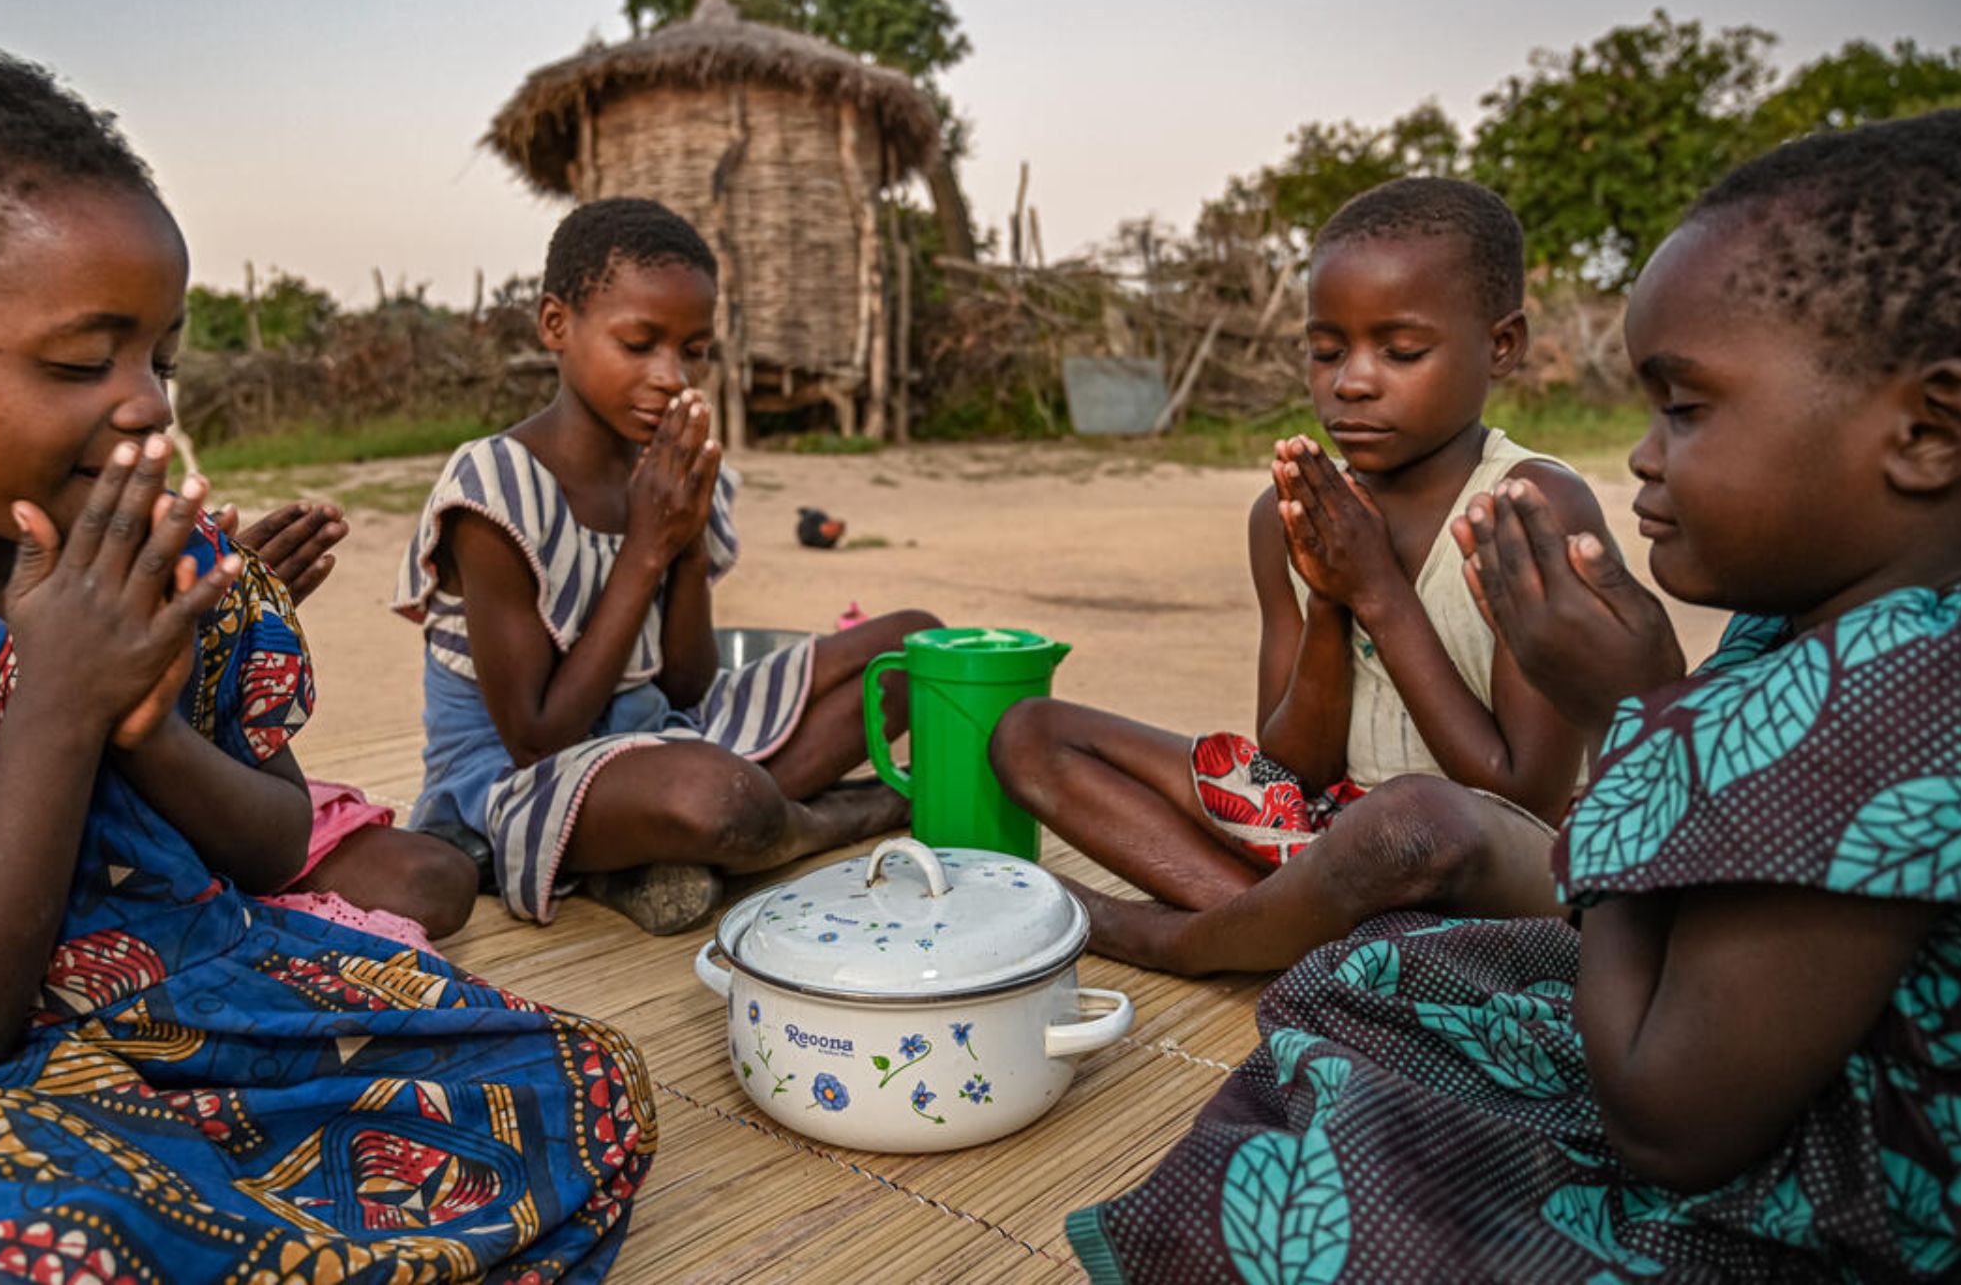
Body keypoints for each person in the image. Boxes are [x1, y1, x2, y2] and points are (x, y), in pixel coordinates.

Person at [0, 28, 649, 1281]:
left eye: (160, 358)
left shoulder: (171, 572)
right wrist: (55, 707)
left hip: (211, 1013)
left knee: (579, 1085)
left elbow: (276, 844)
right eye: (80, 360)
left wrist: (146, 723)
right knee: (5, 1242)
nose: (151, 404)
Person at [1069, 109, 1961, 1282]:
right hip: (1686, 1020)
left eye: (1681, 410)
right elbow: (1295, 753)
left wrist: (1637, 712)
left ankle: (1183, 937)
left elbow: (1666, 1127)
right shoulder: (1817, 627)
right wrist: (1335, 596)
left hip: (1809, 1200)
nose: (1642, 456)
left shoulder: (1894, 701)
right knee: (1372, 974)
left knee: (1302, 1194)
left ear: (1926, 432)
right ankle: (1224, 929)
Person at [990, 178, 1610, 973]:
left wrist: (1379, 593)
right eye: (1326, 351)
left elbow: (1519, 791)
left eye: (1401, 352)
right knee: (1031, 736)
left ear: (1501, 347)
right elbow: (1294, 769)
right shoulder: (1288, 513)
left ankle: (1188, 938)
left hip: (1483, 856)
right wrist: (1328, 600)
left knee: (1404, 823)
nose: (1350, 381)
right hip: (1327, 833)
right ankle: (1292, 932)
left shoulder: (1530, 508)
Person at [394, 197, 939, 935]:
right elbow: (536, 735)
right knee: (718, 801)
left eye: (694, 350)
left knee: (915, 650)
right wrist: (646, 547)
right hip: (511, 788)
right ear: (556, 325)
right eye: (639, 343)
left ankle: (673, 847)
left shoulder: (670, 468)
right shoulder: (492, 491)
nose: (671, 375)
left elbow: (686, 685)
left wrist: (682, 545)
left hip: (656, 735)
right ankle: (832, 816)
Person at [220, 500, 485, 949]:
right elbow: (536, 733)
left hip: (196, 783)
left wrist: (223, 638)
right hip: (96, 817)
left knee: (434, 879)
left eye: (158, 433)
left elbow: (280, 841)